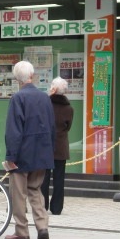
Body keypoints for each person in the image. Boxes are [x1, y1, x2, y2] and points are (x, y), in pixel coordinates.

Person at [4, 60, 55, 239]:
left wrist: (11, 156)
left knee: (19, 193)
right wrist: (50, 152)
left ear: (17, 78)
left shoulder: (18, 98)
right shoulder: (44, 98)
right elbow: (52, 127)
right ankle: (42, 227)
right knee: (36, 189)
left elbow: (14, 130)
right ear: (31, 76)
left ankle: (22, 231)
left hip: (22, 154)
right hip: (41, 152)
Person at [41, 77, 73, 216]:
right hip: (61, 146)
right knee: (59, 179)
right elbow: (68, 127)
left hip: (46, 145)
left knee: (44, 178)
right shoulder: (69, 108)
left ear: (53, 89)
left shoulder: (46, 104)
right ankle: (57, 208)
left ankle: (43, 206)